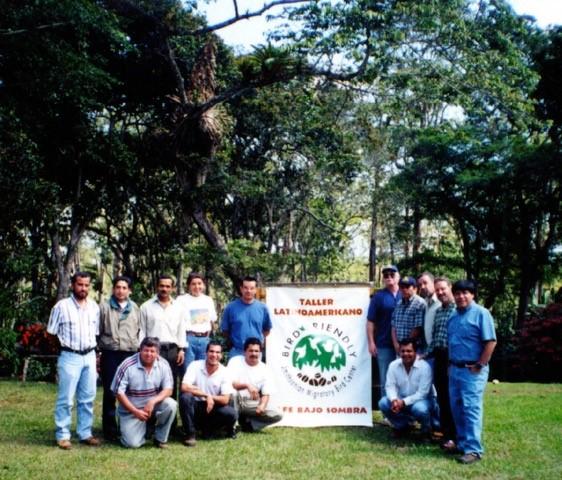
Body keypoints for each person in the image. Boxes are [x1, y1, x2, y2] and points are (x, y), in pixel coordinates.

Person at [46, 271, 100, 449]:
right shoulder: (61, 307)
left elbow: (96, 333)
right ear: (72, 285)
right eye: (80, 284)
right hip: (69, 356)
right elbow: (51, 333)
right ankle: (62, 435)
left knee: (87, 397)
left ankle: (85, 433)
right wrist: (62, 348)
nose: (83, 288)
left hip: (90, 356)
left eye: (86, 285)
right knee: (66, 398)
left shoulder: (94, 307)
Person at [448, 280, 497, 464]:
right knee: (457, 408)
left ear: (473, 294)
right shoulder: (453, 317)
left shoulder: (481, 314)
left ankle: (474, 450)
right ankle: (462, 444)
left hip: (472, 371)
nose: (461, 296)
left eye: (465, 293)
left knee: (471, 409)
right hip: (454, 369)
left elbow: (491, 341)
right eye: (458, 293)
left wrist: (480, 364)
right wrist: (449, 365)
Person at [111, 337, 177, 448]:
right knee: (132, 444)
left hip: (151, 407)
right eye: (146, 350)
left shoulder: (163, 364)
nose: (149, 354)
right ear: (140, 350)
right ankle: (138, 428)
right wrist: (135, 411)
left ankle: (160, 439)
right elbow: (118, 393)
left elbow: (168, 390)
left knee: (171, 404)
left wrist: (152, 401)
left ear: (158, 353)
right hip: (131, 410)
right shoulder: (127, 365)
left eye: (152, 351)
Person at [98, 275, 141, 441]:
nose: (121, 291)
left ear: (129, 291)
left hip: (130, 353)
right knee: (110, 391)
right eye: (118, 287)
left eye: (124, 288)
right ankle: (109, 429)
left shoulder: (135, 308)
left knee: (129, 391)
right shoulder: (104, 307)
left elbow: (139, 331)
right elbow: (98, 330)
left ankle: (128, 425)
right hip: (110, 352)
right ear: (113, 289)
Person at [179, 341, 237, 446]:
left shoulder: (225, 372)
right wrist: (206, 395)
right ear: (206, 353)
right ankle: (190, 434)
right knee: (185, 397)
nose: (214, 355)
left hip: (212, 408)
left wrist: (211, 398)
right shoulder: (195, 365)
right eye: (211, 351)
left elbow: (225, 399)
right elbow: (184, 387)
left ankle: (209, 429)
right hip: (195, 407)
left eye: (217, 352)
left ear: (221, 355)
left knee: (231, 414)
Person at [378, 338, 436, 438]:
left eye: (409, 351)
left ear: (415, 352)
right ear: (399, 352)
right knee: (383, 403)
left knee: (420, 409)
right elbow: (389, 386)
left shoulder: (424, 367)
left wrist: (403, 402)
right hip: (401, 400)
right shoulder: (393, 365)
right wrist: (394, 400)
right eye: (403, 351)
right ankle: (402, 426)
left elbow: (423, 393)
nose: (406, 354)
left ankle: (426, 430)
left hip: (423, 401)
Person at [139, 275, 185, 398]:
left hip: (172, 350)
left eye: (167, 286)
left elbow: (181, 329)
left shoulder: (179, 307)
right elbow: (142, 330)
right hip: (152, 350)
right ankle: (152, 415)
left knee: (171, 382)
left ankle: (171, 415)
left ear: (172, 288)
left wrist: (181, 349)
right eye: (162, 286)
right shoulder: (146, 306)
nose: (164, 289)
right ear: (157, 286)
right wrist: (142, 350)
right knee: (152, 382)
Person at [426, 277, 457, 451]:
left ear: (450, 287)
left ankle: (455, 435)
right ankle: (446, 434)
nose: (440, 292)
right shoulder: (439, 311)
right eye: (437, 290)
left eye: (443, 289)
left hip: (451, 358)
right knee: (442, 398)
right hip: (438, 356)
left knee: (453, 398)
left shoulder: (457, 310)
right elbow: (436, 338)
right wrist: (426, 354)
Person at [228, 337, 283, 431]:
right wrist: (247, 386)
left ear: (260, 353)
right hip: (234, 400)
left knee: (277, 414)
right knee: (232, 393)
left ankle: (249, 425)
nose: (254, 354)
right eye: (251, 351)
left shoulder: (265, 369)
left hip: (251, 403)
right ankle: (233, 426)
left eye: (256, 351)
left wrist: (262, 406)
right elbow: (231, 384)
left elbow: (266, 393)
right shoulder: (235, 361)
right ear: (245, 352)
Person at [366, 265, 402, 401]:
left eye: (392, 274)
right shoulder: (378, 296)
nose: (389, 277)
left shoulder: (404, 293)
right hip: (383, 344)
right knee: (386, 379)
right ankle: (387, 412)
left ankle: (403, 411)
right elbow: (370, 321)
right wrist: (371, 342)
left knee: (403, 378)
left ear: (398, 276)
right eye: (386, 275)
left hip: (404, 345)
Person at [176, 272, 217, 378]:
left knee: (203, 371)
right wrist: (181, 346)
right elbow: (177, 323)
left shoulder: (208, 300)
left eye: (199, 283)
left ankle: (201, 394)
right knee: (188, 371)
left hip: (205, 340)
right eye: (193, 284)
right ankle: (187, 395)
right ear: (189, 286)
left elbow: (212, 321)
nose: (197, 287)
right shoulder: (181, 300)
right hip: (189, 339)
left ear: (203, 285)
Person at [221, 276, 272, 358]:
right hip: (237, 351)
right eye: (246, 288)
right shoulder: (231, 307)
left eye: (252, 288)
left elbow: (267, 330)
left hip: (255, 353)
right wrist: (235, 342)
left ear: (255, 290)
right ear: (241, 289)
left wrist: (257, 343)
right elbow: (225, 331)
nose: (248, 291)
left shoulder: (263, 308)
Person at [390, 276, 426, 354]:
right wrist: (396, 344)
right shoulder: (399, 304)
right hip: (399, 347)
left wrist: (404, 346)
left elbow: (417, 328)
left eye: (407, 286)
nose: (404, 289)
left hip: (414, 348)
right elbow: (393, 326)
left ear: (415, 288)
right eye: (402, 287)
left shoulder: (420, 303)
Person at [417, 272, 441, 353]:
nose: (422, 287)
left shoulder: (441, 301)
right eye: (420, 285)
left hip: (440, 350)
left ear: (433, 282)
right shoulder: (426, 302)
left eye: (425, 283)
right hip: (428, 349)